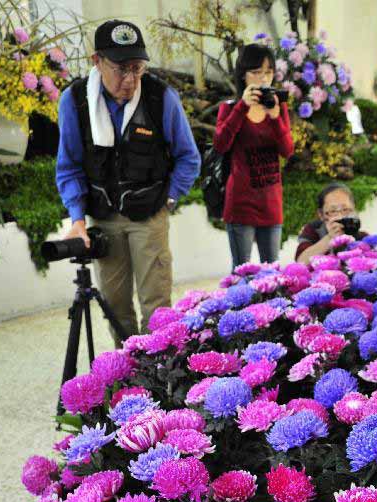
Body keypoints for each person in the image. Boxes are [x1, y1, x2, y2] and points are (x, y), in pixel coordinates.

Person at [56, 20, 201, 344]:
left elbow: (189, 157)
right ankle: (130, 378)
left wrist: (169, 200)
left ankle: (161, 377)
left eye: (137, 68)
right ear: (97, 61)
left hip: (149, 215)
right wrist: (77, 220)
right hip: (104, 219)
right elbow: (68, 166)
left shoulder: (161, 97)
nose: (130, 79)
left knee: (157, 306)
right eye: (121, 69)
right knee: (114, 305)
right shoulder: (75, 101)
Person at [213, 43, 294, 269]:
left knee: (272, 273)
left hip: (271, 203)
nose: (263, 79)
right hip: (240, 203)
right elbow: (220, 144)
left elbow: (287, 151)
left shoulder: (278, 106)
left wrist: (276, 117)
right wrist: (242, 107)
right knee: (242, 273)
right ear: (243, 75)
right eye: (256, 72)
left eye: (268, 72)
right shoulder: (230, 108)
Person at [295, 183, 369, 264]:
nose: (340, 216)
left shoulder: (361, 236)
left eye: (345, 209)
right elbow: (301, 262)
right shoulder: (314, 230)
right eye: (333, 211)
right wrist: (330, 238)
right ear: (321, 214)